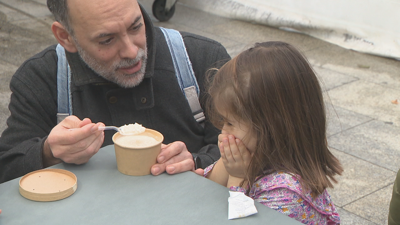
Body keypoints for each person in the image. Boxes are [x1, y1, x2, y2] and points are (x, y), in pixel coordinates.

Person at [0, 0, 230, 183]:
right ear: (65, 37)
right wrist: (48, 152)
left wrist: (197, 161)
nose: (131, 51)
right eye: (107, 40)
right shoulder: (42, 77)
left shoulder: (201, 60)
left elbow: (256, 150)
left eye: (136, 26)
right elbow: (6, 169)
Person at [203, 42, 343, 224]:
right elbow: (205, 192)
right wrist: (227, 162)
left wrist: (237, 180)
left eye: (230, 123)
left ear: (270, 128)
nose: (223, 132)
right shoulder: (255, 158)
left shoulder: (286, 194)